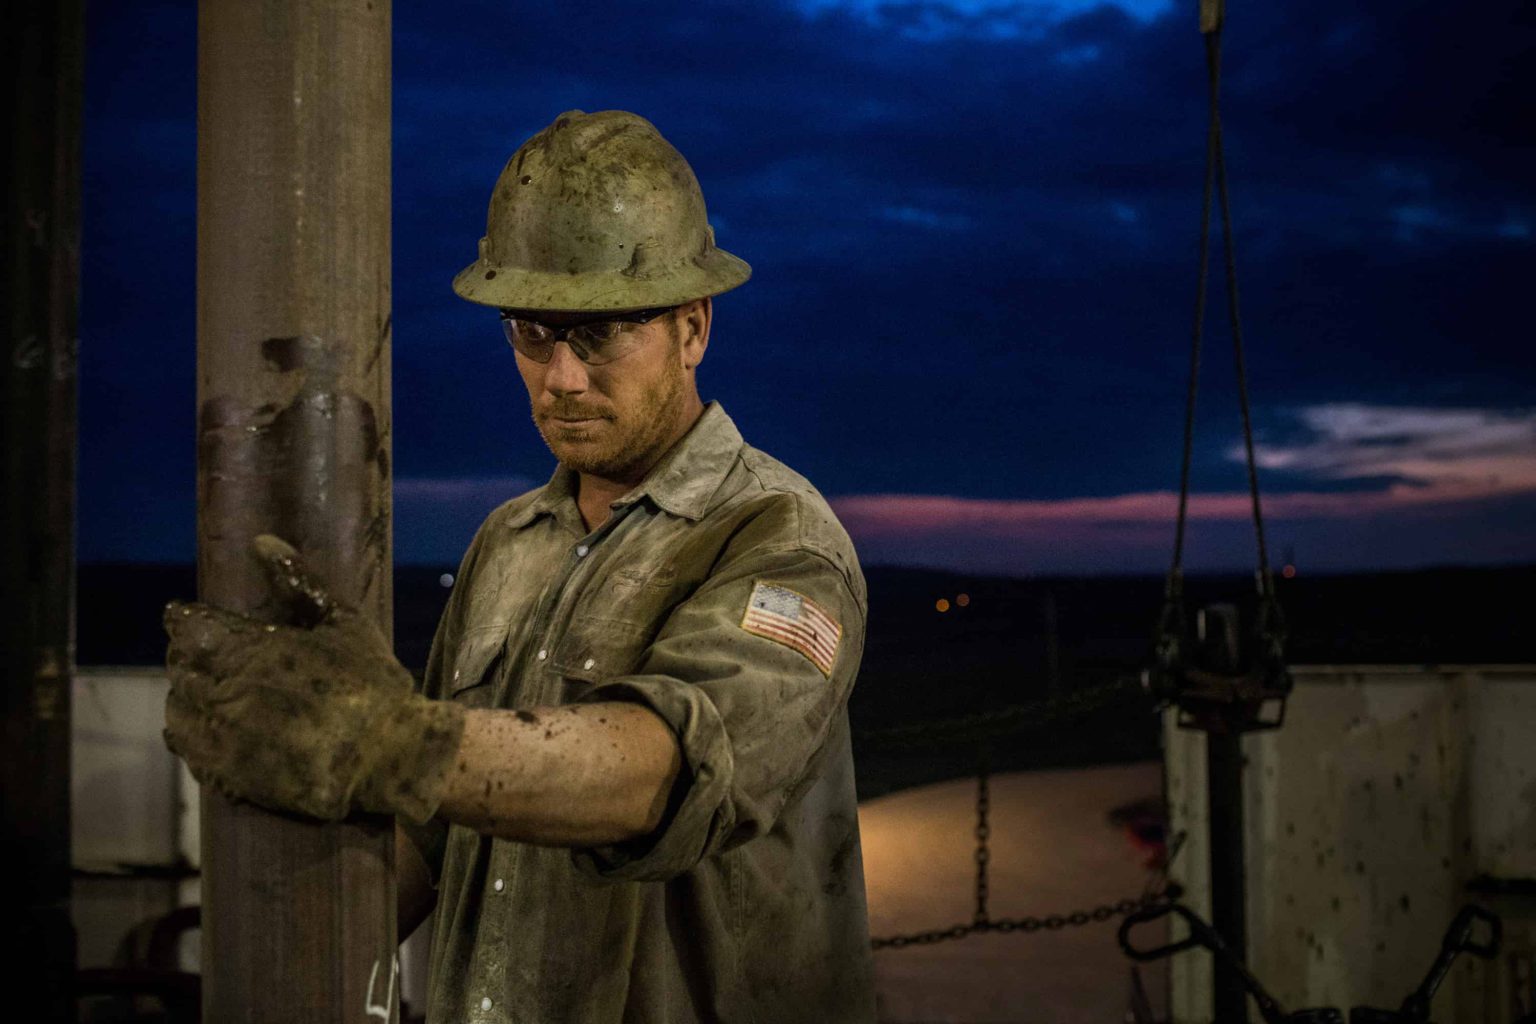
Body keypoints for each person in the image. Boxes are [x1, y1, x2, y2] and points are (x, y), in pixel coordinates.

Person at [163, 109, 876, 1023]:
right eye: (532, 332)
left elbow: (668, 772)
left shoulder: (778, 538)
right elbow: (432, 829)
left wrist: (390, 742)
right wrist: (296, 966)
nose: (562, 377)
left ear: (693, 329)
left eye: (601, 333)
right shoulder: (508, 541)